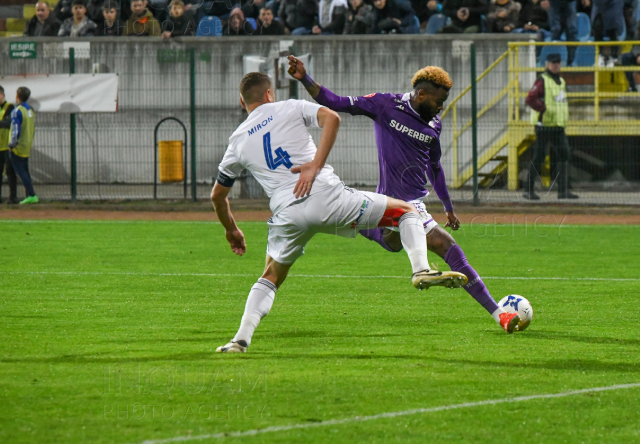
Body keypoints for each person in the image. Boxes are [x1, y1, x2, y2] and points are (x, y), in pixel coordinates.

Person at [212, 72, 466, 353]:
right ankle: (421, 269)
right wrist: (315, 165)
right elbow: (333, 117)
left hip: (287, 213)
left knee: (270, 275)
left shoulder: (236, 140)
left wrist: (231, 230)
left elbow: (218, 196)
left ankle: (240, 340)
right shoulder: (290, 106)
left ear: (241, 102)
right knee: (405, 211)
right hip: (327, 197)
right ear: (270, 94)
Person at [287, 56, 522, 334]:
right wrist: (304, 78)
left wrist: (448, 206)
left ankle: (499, 316)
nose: (440, 107)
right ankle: (490, 309)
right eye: (437, 101)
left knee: (422, 243)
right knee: (439, 243)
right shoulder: (385, 105)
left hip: (413, 204)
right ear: (421, 94)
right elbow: (337, 102)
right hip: (390, 202)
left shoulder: (434, 125)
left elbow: (434, 168)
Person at [524, 52, 577, 200]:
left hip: (557, 125)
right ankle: (528, 189)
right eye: (554, 62)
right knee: (539, 157)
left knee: (565, 155)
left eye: (558, 62)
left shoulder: (560, 80)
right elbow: (531, 99)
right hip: (544, 125)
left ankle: (563, 190)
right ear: (547, 64)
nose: (557, 65)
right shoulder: (543, 80)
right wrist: (543, 109)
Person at [8, 87, 38, 205]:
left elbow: (16, 130)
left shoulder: (17, 111)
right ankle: (30, 195)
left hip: (18, 146)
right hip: (27, 144)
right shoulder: (29, 110)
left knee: (20, 171)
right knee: (25, 170)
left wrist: (12, 144)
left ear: (17, 96)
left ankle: (31, 194)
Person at [0, 86, 18, 204]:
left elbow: (8, 123)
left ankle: (13, 197)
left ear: (3, 95)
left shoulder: (10, 107)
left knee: (10, 172)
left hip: (7, 146)